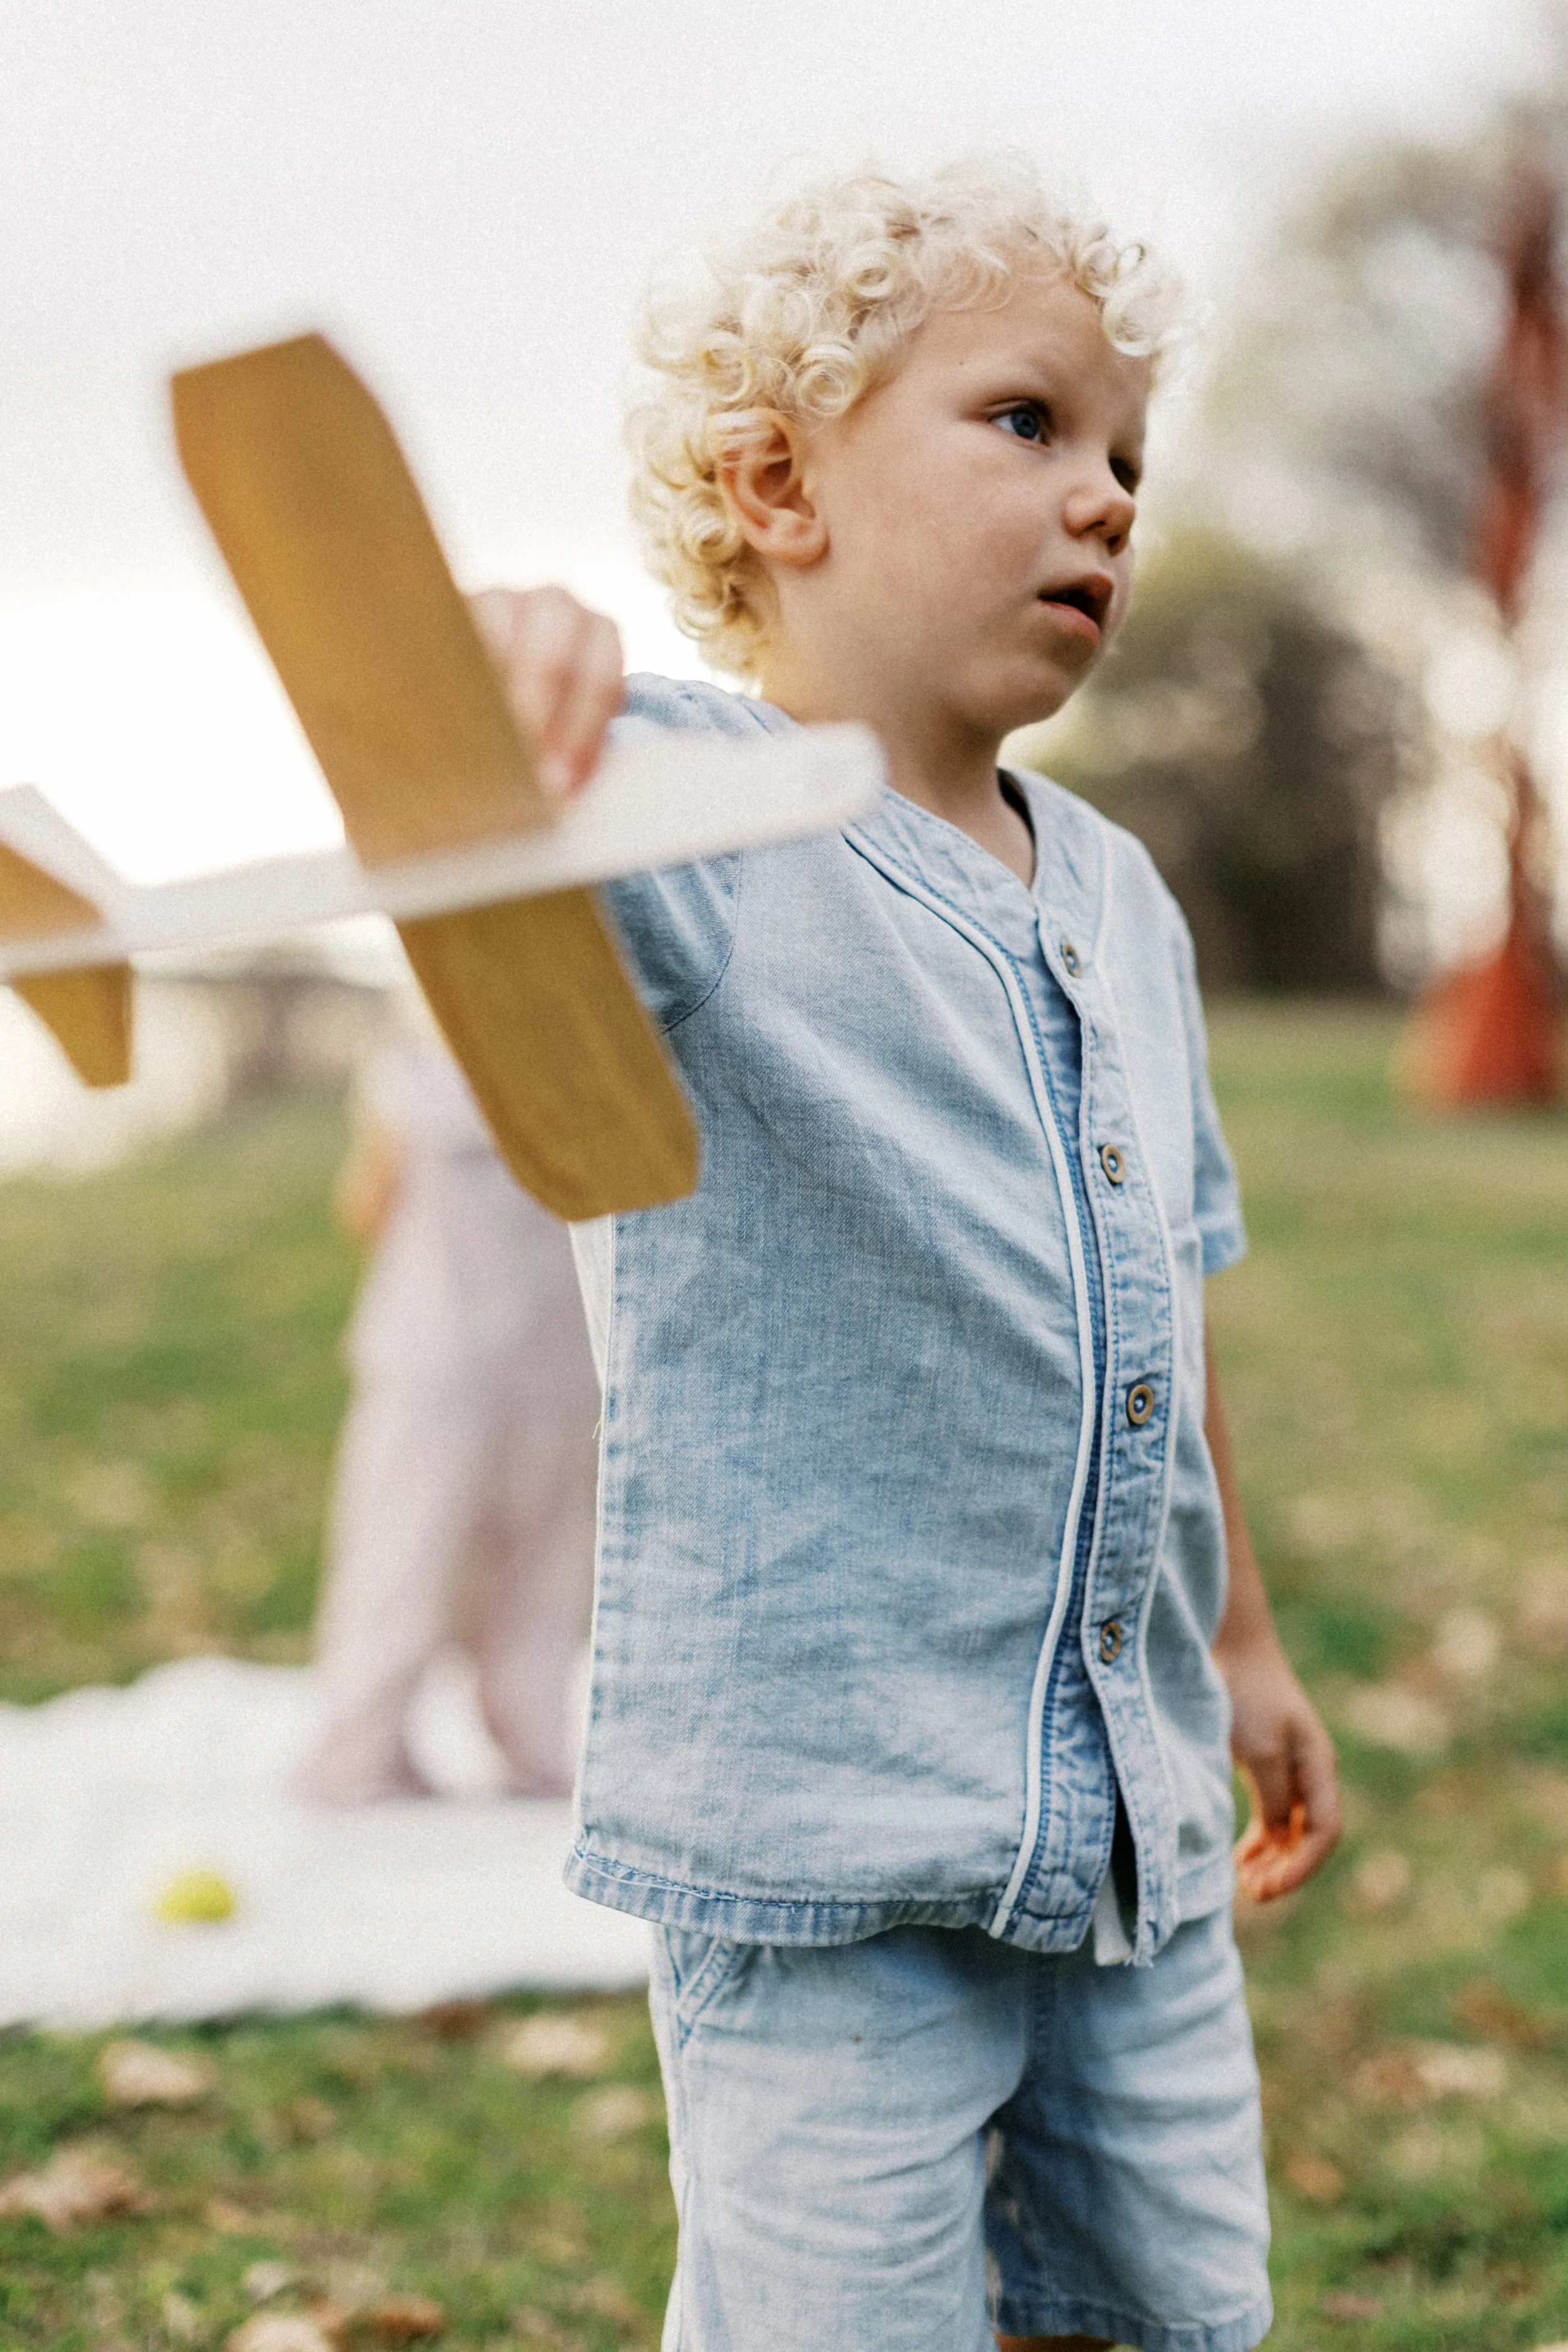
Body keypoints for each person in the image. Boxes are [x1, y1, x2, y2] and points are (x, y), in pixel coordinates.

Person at [474, 154, 1341, 2352]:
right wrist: (477, 694)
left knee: (1177, 2310)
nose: (1113, 499)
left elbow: (1175, 1269)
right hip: (826, 1833)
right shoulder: (675, 814)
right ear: (778, 481)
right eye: (1029, 423)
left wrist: (1237, 1637)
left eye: (1133, 453)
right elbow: (483, 876)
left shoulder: (1124, 897)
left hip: (1130, 1827)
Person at [297, 1031, 597, 1804]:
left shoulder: (407, 1072)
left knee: (400, 1556)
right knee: (546, 1563)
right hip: (562, 1348)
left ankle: (362, 1748)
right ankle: (534, 1745)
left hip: (434, 1348)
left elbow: (367, 1206)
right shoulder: (594, 1062)